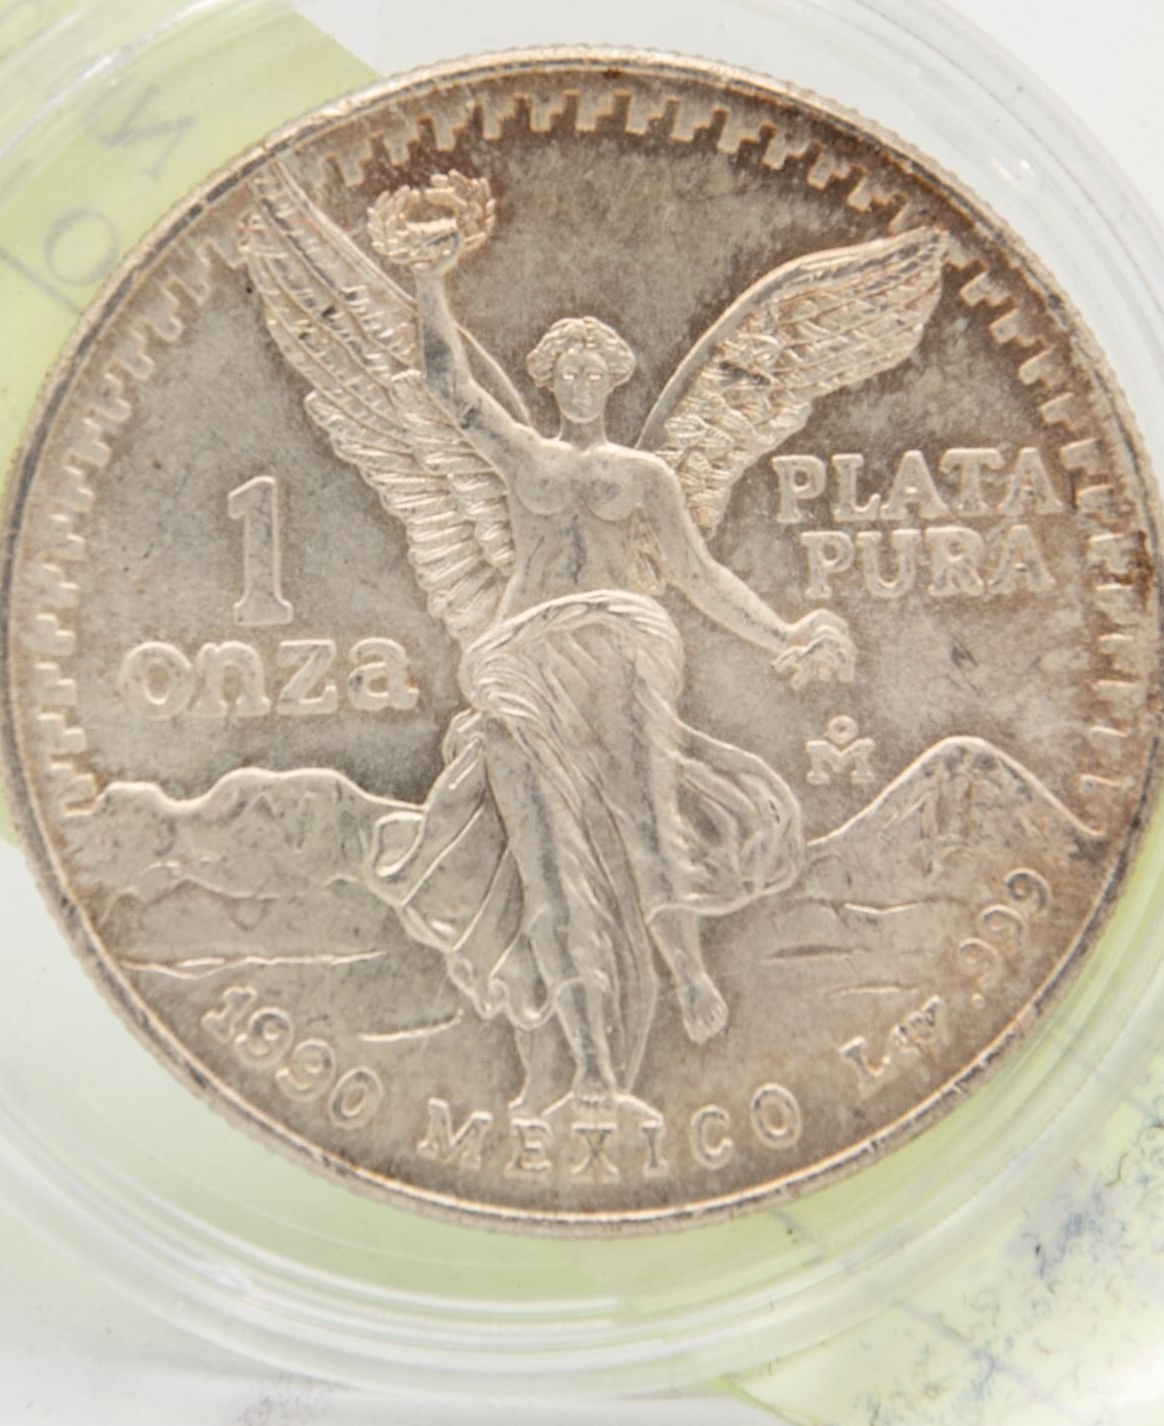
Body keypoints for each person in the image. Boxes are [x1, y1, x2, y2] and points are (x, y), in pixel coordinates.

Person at [365, 224, 852, 1112]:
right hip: (525, 654)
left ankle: (689, 975)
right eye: (570, 366)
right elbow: (451, 390)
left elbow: (698, 575)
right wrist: (429, 279)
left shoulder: (645, 476)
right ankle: (590, 1067)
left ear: (616, 378)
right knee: (549, 861)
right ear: (550, 378)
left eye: (598, 366)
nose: (585, 378)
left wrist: (781, 632)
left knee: (645, 811)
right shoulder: (525, 458)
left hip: (625, 636)